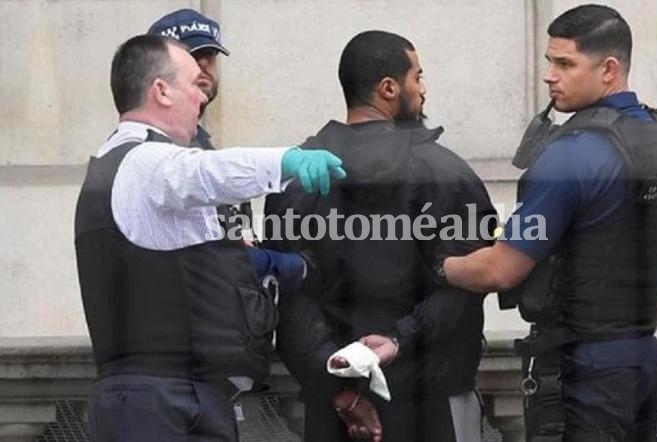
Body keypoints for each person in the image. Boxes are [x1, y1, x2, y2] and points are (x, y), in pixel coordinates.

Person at [441, 5, 657, 441]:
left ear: (609, 69)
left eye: (565, 63)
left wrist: (439, 266)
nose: (549, 75)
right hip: (645, 360)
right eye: (549, 61)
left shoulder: (571, 155)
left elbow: (503, 268)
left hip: (581, 372)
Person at [74, 34, 345, 441]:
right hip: (160, 405)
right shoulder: (144, 160)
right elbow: (205, 172)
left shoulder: (127, 166)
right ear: (161, 91)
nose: (203, 101)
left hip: (173, 398)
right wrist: (285, 160)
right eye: (196, 86)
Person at [264, 30, 497, 442]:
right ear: (388, 88)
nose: (423, 90)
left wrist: (342, 391)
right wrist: (399, 340)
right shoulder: (446, 173)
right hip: (430, 402)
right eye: (417, 77)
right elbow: (467, 283)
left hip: (334, 408)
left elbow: (287, 296)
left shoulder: (297, 179)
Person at [147, 8, 305, 285]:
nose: (205, 64)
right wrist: (285, 265)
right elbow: (203, 253)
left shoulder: (202, 143)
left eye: (211, 56)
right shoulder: (161, 150)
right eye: (194, 56)